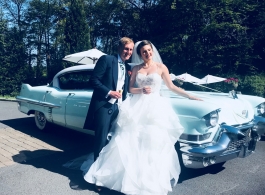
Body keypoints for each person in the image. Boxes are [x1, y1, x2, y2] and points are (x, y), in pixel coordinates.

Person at [83, 40, 201, 195]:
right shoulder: (135, 68)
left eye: (149, 50)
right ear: (140, 54)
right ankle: (113, 176)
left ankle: (148, 179)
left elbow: (172, 87)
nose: (147, 54)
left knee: (152, 142)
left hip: (155, 108)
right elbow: (131, 88)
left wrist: (190, 95)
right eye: (143, 51)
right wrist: (140, 90)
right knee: (128, 140)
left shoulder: (161, 67)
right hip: (136, 106)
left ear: (152, 50)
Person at [83, 37, 134, 161]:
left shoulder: (127, 67)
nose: (128, 52)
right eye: (126, 49)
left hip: (120, 107)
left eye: (131, 50)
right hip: (104, 106)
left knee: (115, 139)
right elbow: (94, 80)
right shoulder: (107, 59)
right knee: (101, 139)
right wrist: (109, 92)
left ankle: (108, 167)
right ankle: (96, 170)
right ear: (119, 48)